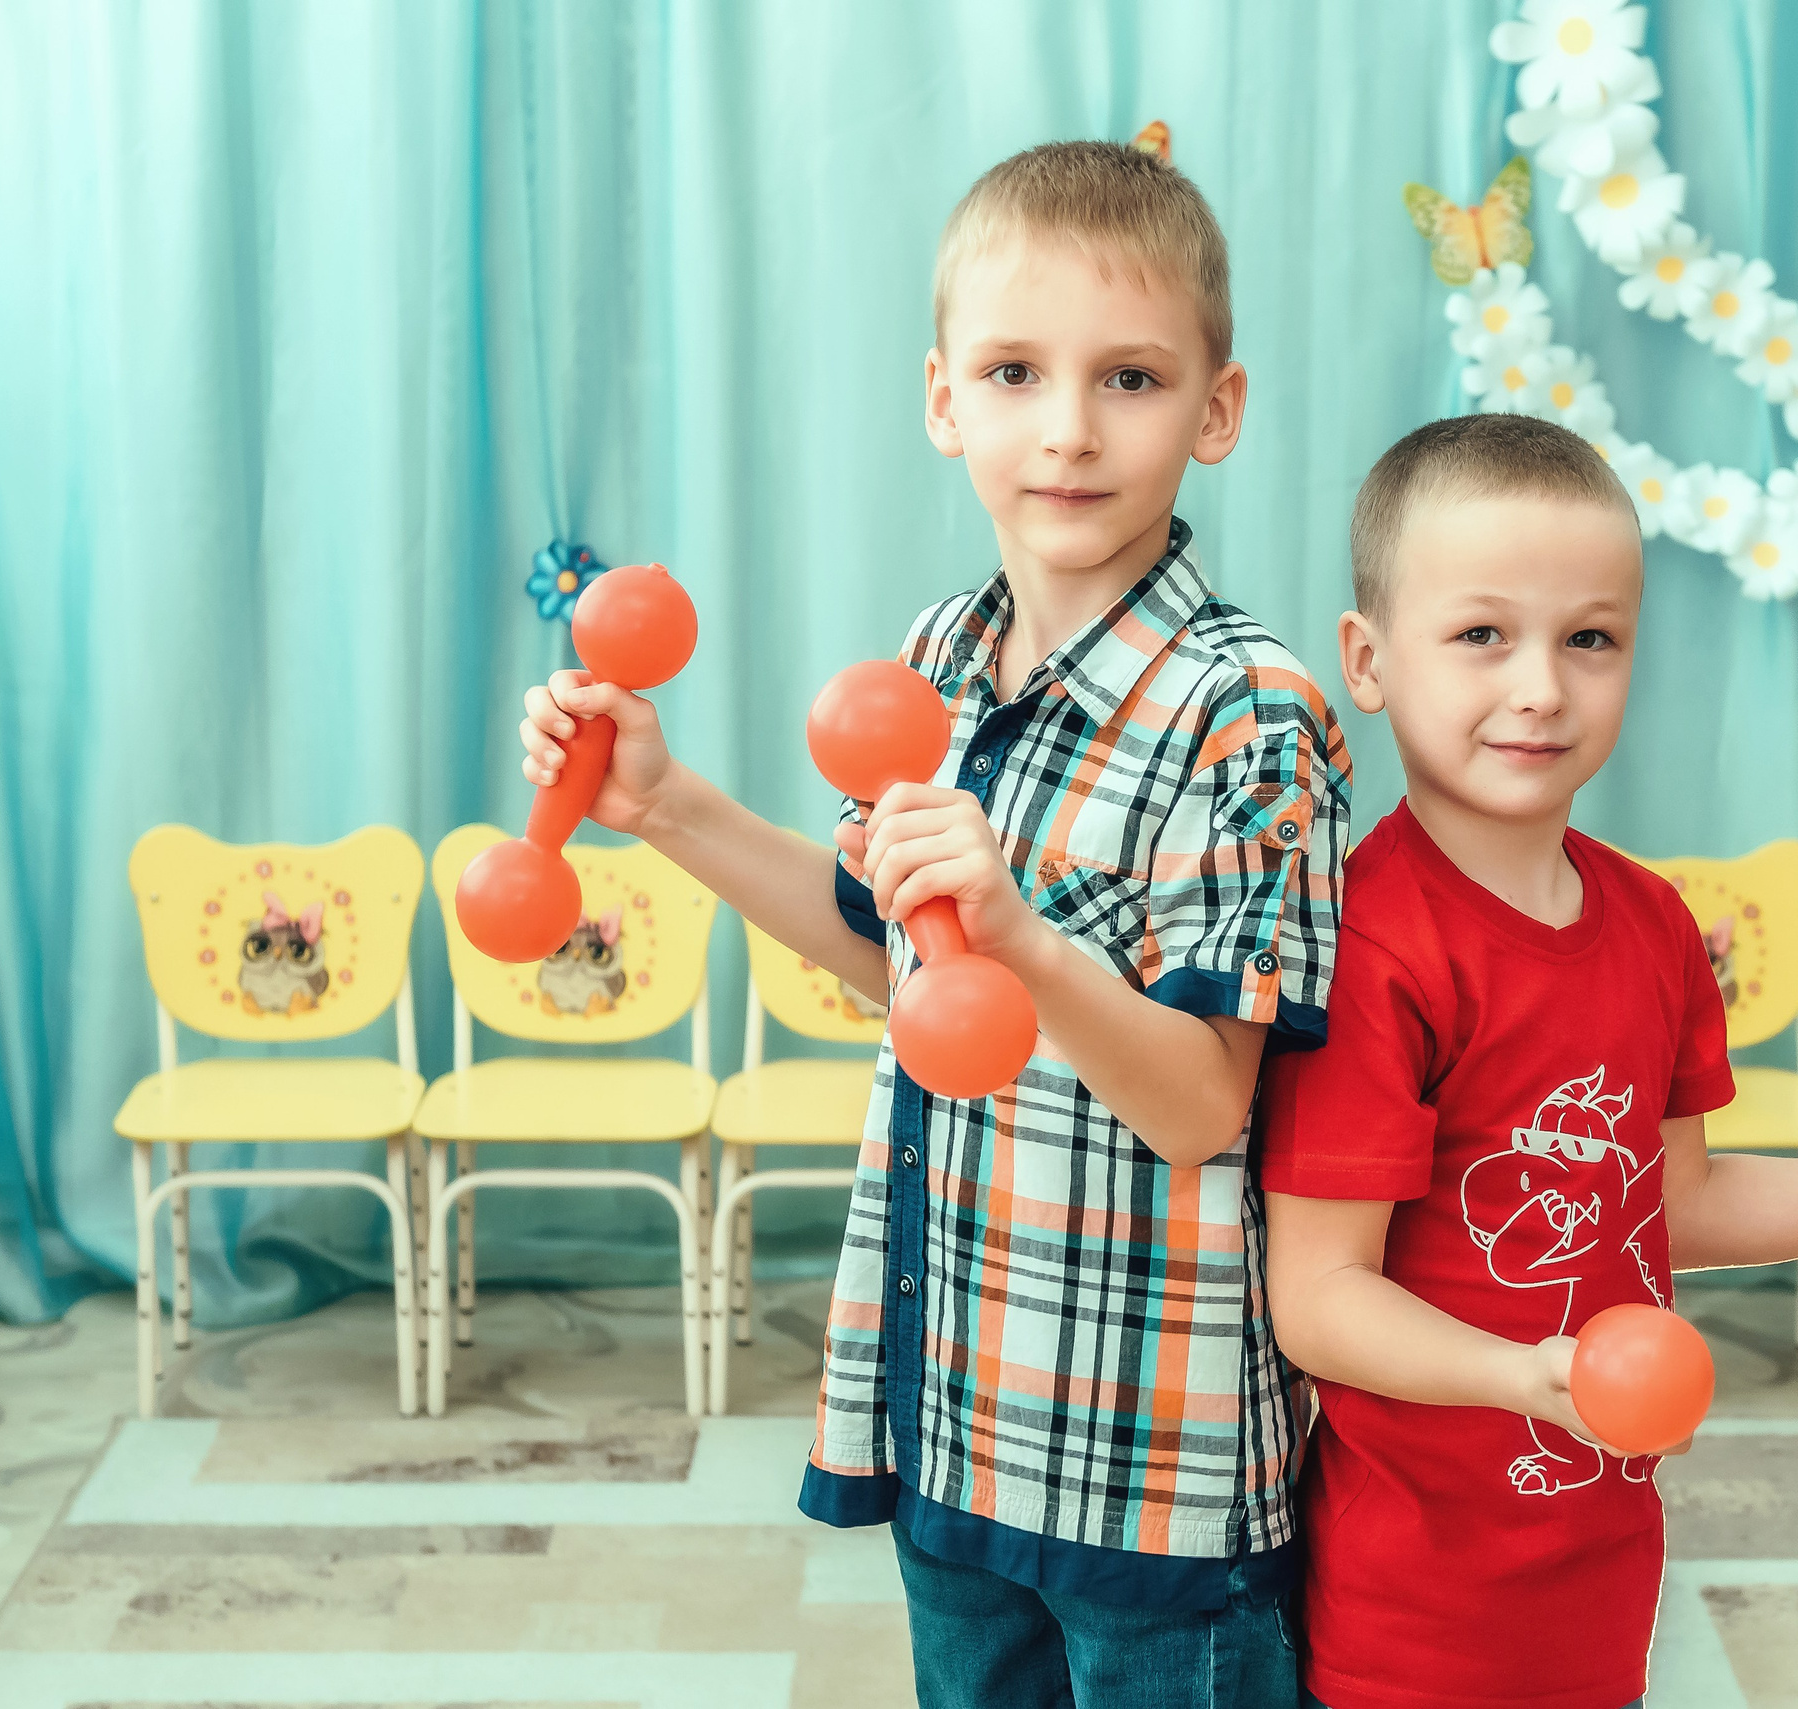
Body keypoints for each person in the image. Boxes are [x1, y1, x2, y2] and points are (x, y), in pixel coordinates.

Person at [516, 140, 1346, 1709]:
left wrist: (1029, 940)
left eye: (1132, 378)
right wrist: (667, 804)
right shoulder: (938, 662)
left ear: (1217, 411)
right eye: (1017, 372)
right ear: (943, 398)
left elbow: (1201, 1103)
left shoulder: (1253, 710)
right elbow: (881, 950)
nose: (1069, 429)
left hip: (1146, 1463)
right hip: (959, 1411)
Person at [1258, 413, 1798, 1709]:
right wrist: (1525, 1378)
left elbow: (1680, 1201)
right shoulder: (1374, 943)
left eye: (1588, 637)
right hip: (1412, 1608)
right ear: (1369, 661)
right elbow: (1317, 1292)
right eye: (1484, 633)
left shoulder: (1653, 924)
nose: (1541, 684)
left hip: (1598, 1569)